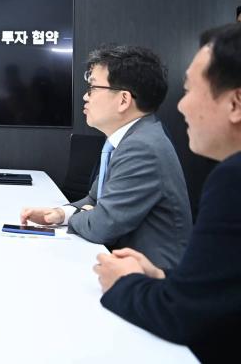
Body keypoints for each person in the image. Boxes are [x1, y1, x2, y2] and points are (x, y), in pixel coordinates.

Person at [94, 24, 241, 362]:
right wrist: (161, 277)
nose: (181, 106)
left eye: (189, 90)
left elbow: (183, 318)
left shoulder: (233, 180)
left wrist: (122, 282)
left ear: (235, 103)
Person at [20, 45, 192, 269]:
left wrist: (80, 216)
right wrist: (59, 214)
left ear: (123, 100)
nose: (85, 96)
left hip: (153, 275)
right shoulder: (128, 138)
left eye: (93, 88)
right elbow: (95, 200)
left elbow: (102, 225)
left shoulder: (142, 147)